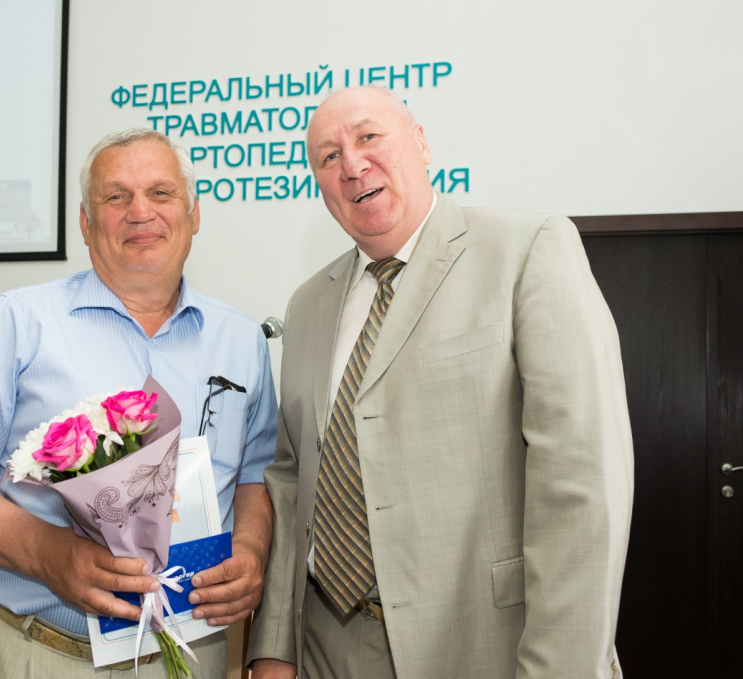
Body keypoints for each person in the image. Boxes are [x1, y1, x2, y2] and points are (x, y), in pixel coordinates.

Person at [248, 86, 634, 678]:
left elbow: (582, 481)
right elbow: (291, 477)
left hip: (486, 645)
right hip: (328, 646)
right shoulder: (307, 304)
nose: (352, 165)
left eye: (369, 137)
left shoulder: (526, 250)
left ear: (421, 143)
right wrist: (274, 646)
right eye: (328, 156)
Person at [0, 128, 277, 677]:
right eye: (115, 196)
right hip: (43, 652)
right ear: (85, 222)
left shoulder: (242, 339)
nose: (140, 212)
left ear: (193, 214)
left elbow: (254, 477)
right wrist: (47, 553)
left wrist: (250, 550)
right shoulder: (18, 321)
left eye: (161, 193)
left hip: (192, 655)